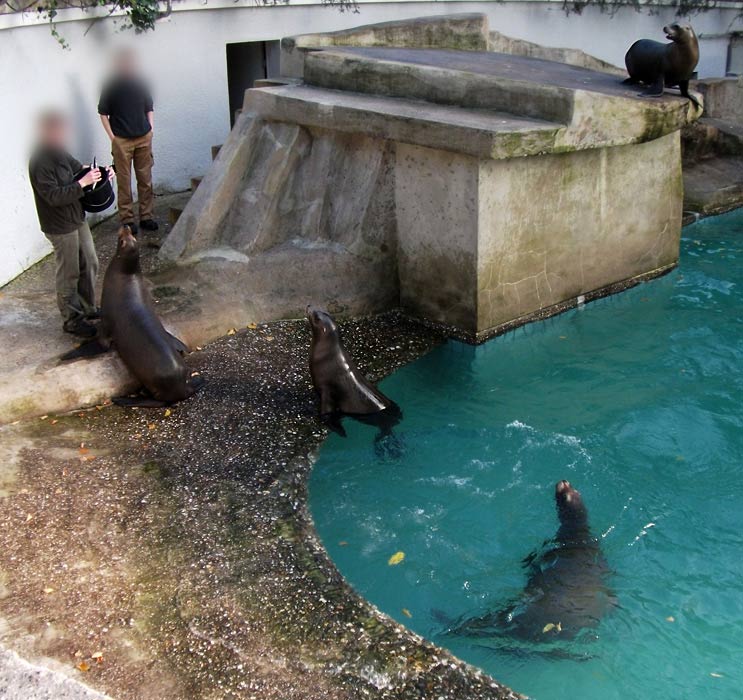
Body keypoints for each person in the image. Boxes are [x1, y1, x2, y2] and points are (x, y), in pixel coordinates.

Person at [28, 110, 113, 338]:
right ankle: (72, 319)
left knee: (90, 261)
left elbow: (79, 169)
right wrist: (82, 183)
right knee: (69, 272)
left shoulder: (60, 152)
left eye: (62, 131)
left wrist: (102, 173)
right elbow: (54, 197)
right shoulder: (39, 162)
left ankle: (87, 308)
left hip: (76, 217)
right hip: (59, 225)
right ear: (45, 132)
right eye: (55, 131)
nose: (60, 135)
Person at [98, 48, 158, 235]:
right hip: (122, 140)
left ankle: (146, 216)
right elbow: (103, 113)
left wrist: (151, 129)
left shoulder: (141, 84)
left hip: (143, 137)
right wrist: (112, 138)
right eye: (124, 63)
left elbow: (149, 107)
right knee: (124, 181)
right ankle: (127, 219)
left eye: (130, 62)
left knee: (145, 179)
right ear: (118, 64)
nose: (128, 66)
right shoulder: (111, 86)